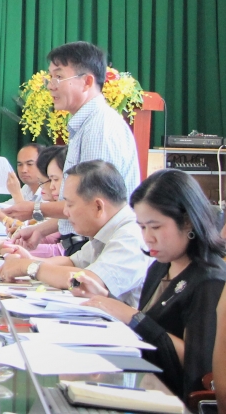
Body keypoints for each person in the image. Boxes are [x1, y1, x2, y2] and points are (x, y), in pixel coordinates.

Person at [78, 170, 226, 399]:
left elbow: (198, 363)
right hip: (145, 382)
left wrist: (132, 316)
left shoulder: (210, 281)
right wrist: (107, 303)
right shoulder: (161, 265)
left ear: (187, 222)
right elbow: (151, 323)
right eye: (142, 227)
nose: (148, 237)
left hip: (173, 397)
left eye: (155, 227)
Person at [5, 42, 140, 256]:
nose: (50, 86)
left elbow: (92, 204)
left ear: (87, 82)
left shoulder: (99, 129)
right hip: (86, 246)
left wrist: (35, 209)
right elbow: (77, 206)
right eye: (50, 78)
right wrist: (40, 229)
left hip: (103, 250)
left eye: (58, 77)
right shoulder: (87, 124)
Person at [0, 160, 149, 307]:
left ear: (98, 207)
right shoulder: (109, 228)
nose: (65, 212)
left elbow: (88, 282)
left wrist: (29, 267)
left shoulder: (131, 235)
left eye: (70, 204)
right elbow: (72, 262)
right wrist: (27, 260)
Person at [0, 146, 66, 258]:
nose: (24, 170)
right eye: (20, 164)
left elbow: (59, 251)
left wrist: (2, 244)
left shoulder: (54, 203)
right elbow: (34, 233)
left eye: (30, 164)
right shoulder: (27, 189)